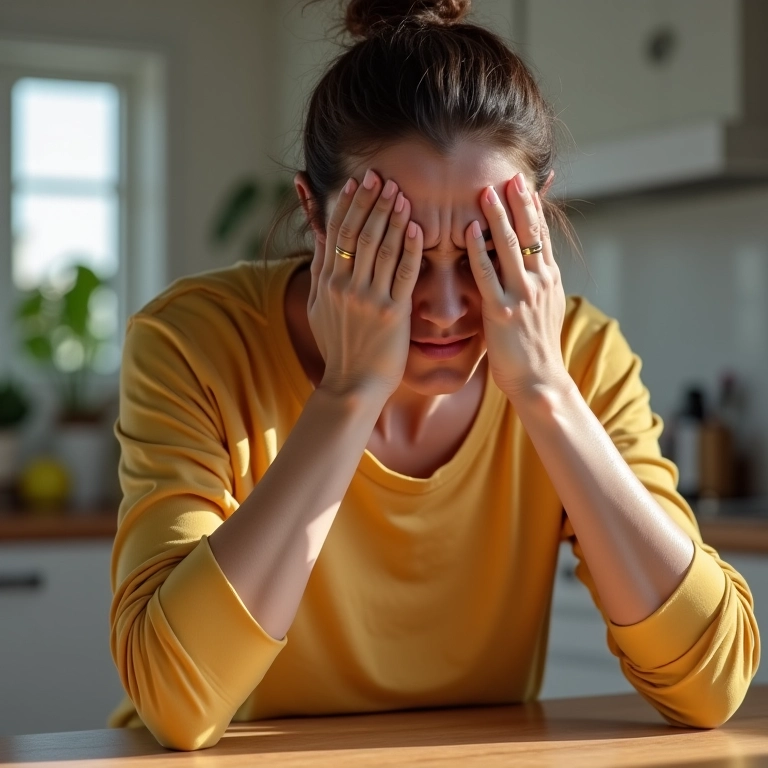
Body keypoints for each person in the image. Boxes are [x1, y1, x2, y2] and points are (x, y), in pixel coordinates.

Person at [107, 0, 759, 751]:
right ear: (316, 220)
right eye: (399, 253)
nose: (447, 309)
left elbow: (713, 687)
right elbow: (175, 702)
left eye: (485, 251)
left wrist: (546, 393)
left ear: (536, 221)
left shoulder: (580, 357)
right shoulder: (193, 343)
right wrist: (349, 393)